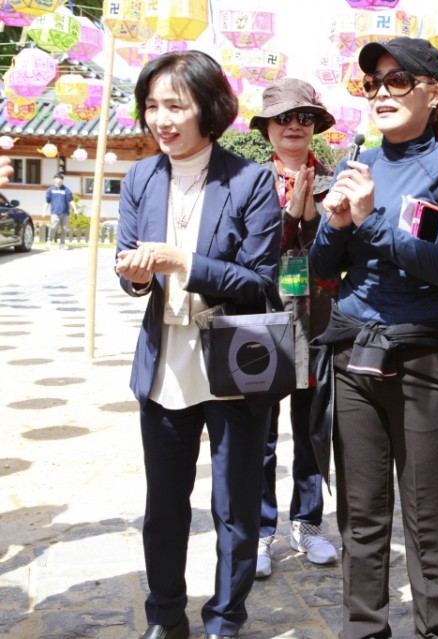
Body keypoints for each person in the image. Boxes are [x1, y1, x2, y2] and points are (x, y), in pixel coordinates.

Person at [308, 37, 438, 639]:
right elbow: (323, 267)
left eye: (397, 81)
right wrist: (336, 223)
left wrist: (370, 219)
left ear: (433, 93)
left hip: (424, 357)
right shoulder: (357, 163)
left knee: (428, 515)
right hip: (354, 350)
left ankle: (433, 631)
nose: (381, 93)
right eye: (372, 83)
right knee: (360, 512)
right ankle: (364, 629)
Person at [115, 50, 282, 639]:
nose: (161, 119)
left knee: (234, 508)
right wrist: (137, 275)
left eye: (175, 105)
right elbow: (129, 271)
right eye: (152, 106)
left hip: (234, 364)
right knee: (164, 506)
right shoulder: (140, 177)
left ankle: (225, 620)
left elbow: (261, 281)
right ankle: (165, 617)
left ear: (209, 108)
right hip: (165, 363)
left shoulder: (250, 180)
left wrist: (182, 261)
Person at [248, 77, 339, 578]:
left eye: (304, 117)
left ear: (315, 126)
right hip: (261, 321)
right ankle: (260, 530)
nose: (294, 126)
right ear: (267, 128)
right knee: (260, 435)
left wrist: (312, 223)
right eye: (283, 118)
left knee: (311, 429)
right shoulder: (249, 182)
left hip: (318, 321)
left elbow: (344, 255)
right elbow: (245, 255)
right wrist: (288, 220)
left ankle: (307, 522)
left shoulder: (337, 181)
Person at [44, 173, 77, 249]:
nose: (59, 180)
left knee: (64, 229)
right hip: (55, 212)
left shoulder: (66, 190)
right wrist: (44, 211)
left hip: (65, 212)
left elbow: (71, 200)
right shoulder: (50, 190)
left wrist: (75, 209)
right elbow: (47, 201)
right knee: (53, 227)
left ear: (62, 180)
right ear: (54, 180)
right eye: (57, 178)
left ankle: (62, 244)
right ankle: (49, 241)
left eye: (60, 179)